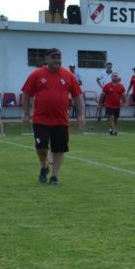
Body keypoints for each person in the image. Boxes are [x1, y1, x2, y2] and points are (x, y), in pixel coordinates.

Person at [21, 48, 84, 185]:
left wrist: (80, 115)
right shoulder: (37, 74)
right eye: (54, 57)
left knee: (59, 148)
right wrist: (26, 114)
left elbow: (77, 96)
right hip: (40, 119)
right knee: (41, 146)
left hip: (61, 120)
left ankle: (54, 176)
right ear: (47, 59)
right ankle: (44, 166)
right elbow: (26, 94)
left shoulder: (68, 75)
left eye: (59, 57)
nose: (57, 60)